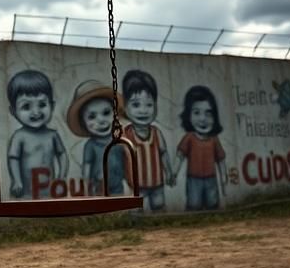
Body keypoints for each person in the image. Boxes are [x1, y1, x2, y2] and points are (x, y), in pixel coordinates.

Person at [6, 69, 68, 198]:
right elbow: (13, 159)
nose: (36, 112)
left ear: (52, 105)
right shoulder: (19, 136)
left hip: (50, 190)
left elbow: (62, 155)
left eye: (42, 104)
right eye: (27, 106)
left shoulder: (52, 135)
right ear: (13, 111)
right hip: (27, 191)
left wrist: (61, 177)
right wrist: (16, 181)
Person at [121, 69, 173, 211]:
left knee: (159, 205)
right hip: (136, 185)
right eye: (136, 105)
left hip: (157, 183)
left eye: (149, 105)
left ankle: (162, 230)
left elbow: (164, 154)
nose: (143, 111)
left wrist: (169, 172)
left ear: (155, 106)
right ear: (125, 107)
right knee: (137, 209)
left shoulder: (156, 133)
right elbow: (121, 156)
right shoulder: (126, 134)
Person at [65, 79, 125, 196]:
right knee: (101, 210)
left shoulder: (118, 141)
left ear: (115, 114)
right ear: (84, 123)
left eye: (106, 113)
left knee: (117, 208)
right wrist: (86, 184)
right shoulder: (91, 145)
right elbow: (87, 166)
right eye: (92, 117)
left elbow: (125, 160)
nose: (101, 121)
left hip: (117, 184)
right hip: (98, 185)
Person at [172, 85, 227, 211]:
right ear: (188, 115)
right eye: (197, 113)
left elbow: (221, 160)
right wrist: (174, 173)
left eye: (208, 113)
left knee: (212, 203)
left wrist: (224, 178)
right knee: (194, 204)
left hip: (211, 179)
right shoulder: (189, 138)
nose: (203, 119)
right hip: (193, 179)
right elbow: (180, 155)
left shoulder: (214, 139)